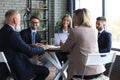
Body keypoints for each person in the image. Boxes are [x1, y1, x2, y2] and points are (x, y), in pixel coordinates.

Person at [0, 9, 50, 80]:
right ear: (15, 20)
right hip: (17, 68)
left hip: (3, 68)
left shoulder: (2, 32)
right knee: (45, 71)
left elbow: (17, 46)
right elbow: (29, 51)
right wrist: (43, 48)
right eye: (19, 20)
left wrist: (32, 45)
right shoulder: (13, 34)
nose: (19, 22)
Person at [60, 8, 106, 80]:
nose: (73, 19)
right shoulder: (95, 31)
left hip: (81, 72)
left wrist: (62, 44)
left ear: (79, 18)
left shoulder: (75, 31)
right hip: (97, 70)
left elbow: (64, 49)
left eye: (74, 17)